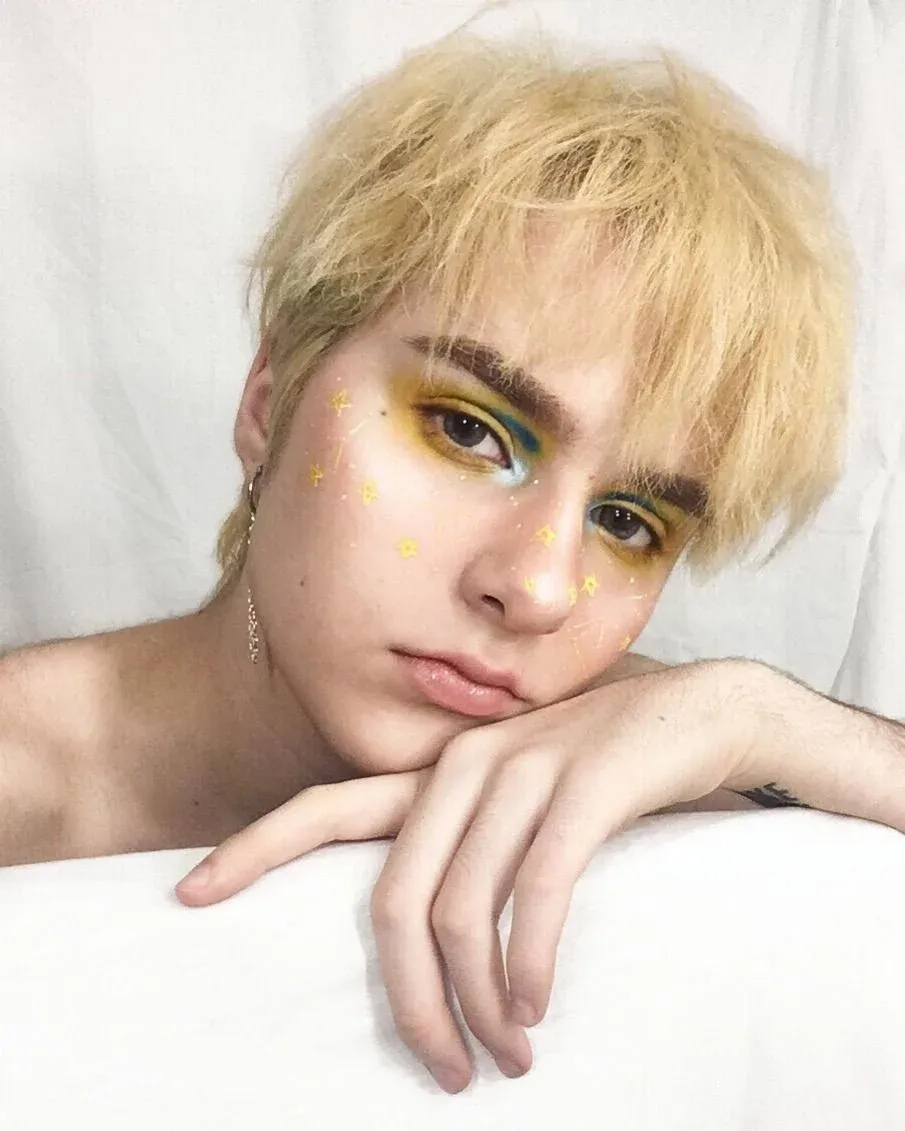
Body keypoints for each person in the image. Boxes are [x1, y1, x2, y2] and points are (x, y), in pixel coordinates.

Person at [1, 29, 901, 1095]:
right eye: (469, 431)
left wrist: (756, 717)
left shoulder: (638, 743)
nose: (537, 589)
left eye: (627, 520)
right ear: (267, 402)